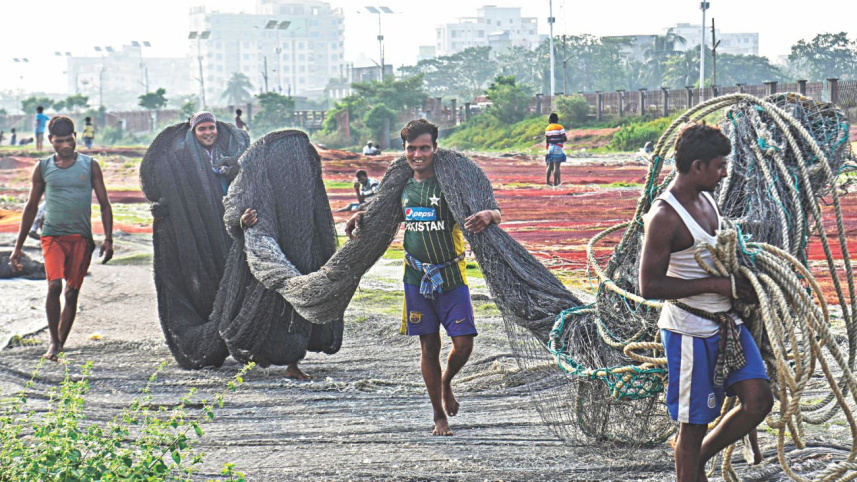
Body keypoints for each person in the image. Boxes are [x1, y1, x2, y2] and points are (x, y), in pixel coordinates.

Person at [346, 119, 501, 436]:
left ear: (435, 148)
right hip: (416, 278)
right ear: (404, 150)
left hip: (452, 276)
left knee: (464, 344)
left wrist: (488, 215)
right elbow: (379, 212)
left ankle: (446, 380)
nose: (418, 154)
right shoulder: (401, 187)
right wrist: (360, 214)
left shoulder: (451, 183)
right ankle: (438, 416)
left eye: (424, 148)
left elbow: (493, 210)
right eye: (411, 149)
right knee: (428, 347)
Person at [639, 122, 772, 482]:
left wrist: (738, 282)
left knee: (759, 400)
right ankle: (690, 462)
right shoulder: (664, 216)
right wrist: (718, 284)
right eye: (719, 164)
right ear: (697, 166)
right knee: (693, 424)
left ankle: (694, 458)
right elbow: (648, 285)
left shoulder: (708, 198)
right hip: (689, 332)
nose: (725, 172)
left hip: (726, 321)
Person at [140, 111, 254, 369]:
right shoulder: (182, 159)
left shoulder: (232, 154)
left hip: (228, 226)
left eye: (211, 128)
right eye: (202, 129)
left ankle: (233, 336)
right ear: (194, 132)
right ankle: (209, 337)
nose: (208, 133)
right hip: (196, 228)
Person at [10, 116, 114, 361]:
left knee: (71, 292)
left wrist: (108, 238)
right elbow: (31, 207)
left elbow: (105, 205)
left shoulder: (90, 165)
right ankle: (54, 343)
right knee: (54, 285)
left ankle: (61, 341)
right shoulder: (43, 167)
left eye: (70, 140)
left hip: (81, 238)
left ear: (76, 136)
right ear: (51, 141)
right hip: (52, 236)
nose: (66, 145)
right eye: (60, 142)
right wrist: (18, 247)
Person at [545, 113, 567, 186]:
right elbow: (564, 138)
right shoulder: (560, 127)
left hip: (550, 148)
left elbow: (547, 140)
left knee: (549, 166)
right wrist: (560, 139)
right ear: (557, 119)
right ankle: (556, 183)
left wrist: (547, 149)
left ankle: (547, 182)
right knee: (556, 166)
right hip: (557, 147)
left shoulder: (547, 128)